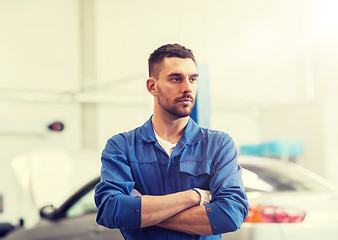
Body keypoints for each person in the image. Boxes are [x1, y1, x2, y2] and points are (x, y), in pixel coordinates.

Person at [94, 43, 248, 240]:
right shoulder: (122, 147)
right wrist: (195, 196)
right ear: (152, 86)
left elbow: (229, 215)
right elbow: (111, 210)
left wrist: (142, 213)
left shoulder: (218, 144)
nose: (187, 88)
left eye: (193, 79)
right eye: (176, 79)